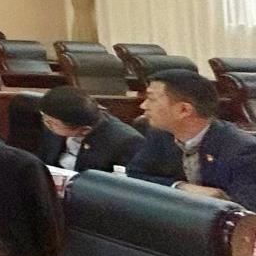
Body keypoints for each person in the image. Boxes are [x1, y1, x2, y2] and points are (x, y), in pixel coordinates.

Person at [127, 69, 256, 207]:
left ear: (184, 110)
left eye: (151, 99)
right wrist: (180, 187)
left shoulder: (242, 150)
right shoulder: (161, 134)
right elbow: (135, 174)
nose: (143, 105)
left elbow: (246, 211)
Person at [36, 85, 143, 174]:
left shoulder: (126, 142)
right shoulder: (56, 118)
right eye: (44, 117)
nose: (46, 123)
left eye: (52, 123)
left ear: (85, 130)